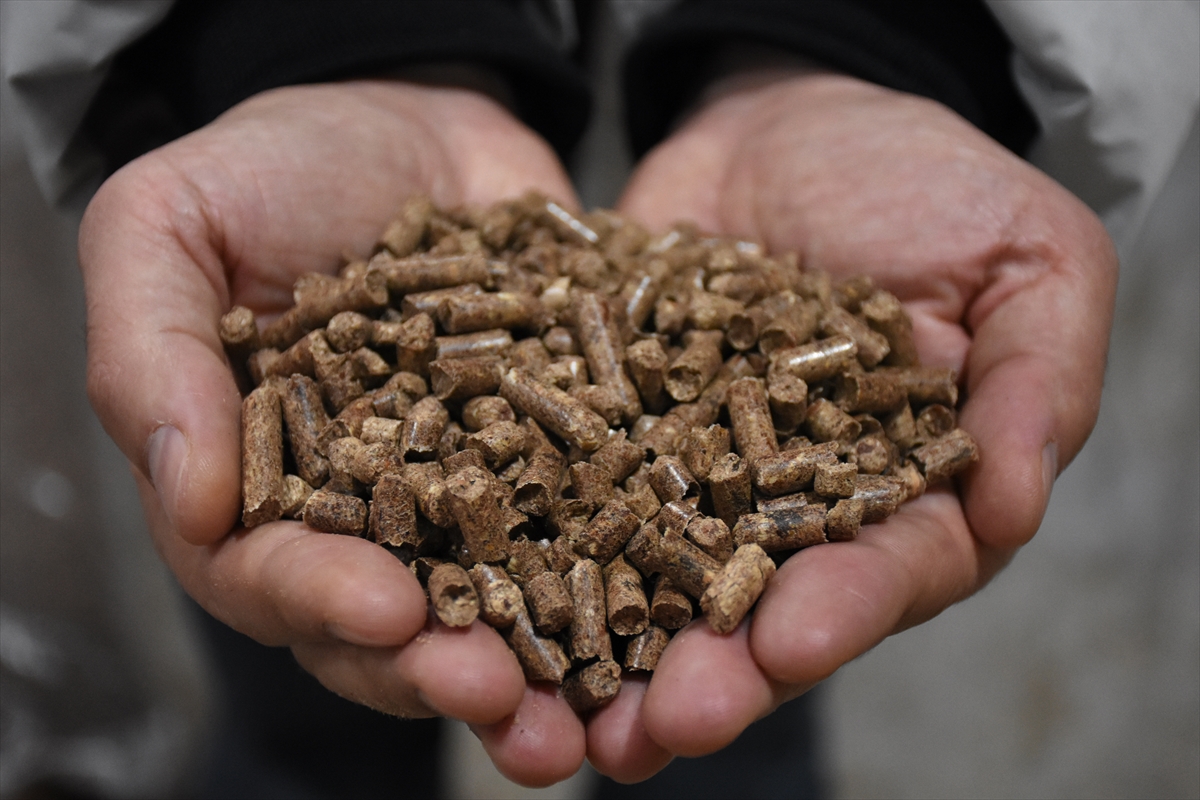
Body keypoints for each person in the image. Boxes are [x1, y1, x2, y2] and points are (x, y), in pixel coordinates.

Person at [5, 1, 1195, 796]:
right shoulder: (387, 378)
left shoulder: (748, 426)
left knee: (733, 677)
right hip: (302, 93)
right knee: (328, 668)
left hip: (723, 352)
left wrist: (887, 28)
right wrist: (303, 26)